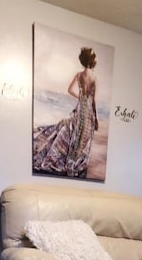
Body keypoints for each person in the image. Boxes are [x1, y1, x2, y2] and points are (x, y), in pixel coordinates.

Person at [33, 46, 99, 178]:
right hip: (89, 111)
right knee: (84, 136)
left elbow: (70, 90)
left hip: (81, 107)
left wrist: (81, 98)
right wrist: (96, 118)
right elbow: (93, 100)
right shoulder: (94, 78)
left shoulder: (79, 75)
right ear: (92, 61)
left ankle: (69, 157)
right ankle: (77, 160)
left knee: (73, 132)